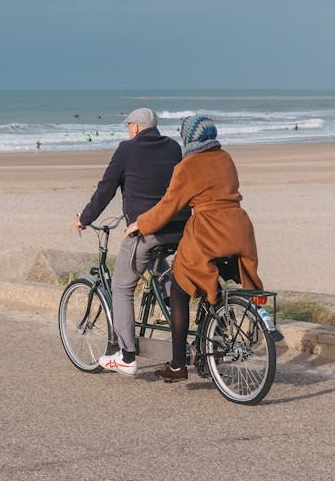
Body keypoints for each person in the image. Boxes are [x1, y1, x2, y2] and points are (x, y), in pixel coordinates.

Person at [125, 114, 262, 383]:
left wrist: (141, 224)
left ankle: (177, 365)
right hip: (239, 229)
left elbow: (169, 206)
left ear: (188, 138)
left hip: (209, 231)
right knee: (214, 280)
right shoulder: (225, 158)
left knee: (180, 286)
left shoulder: (188, 165)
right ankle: (212, 351)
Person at [75, 107, 188, 376]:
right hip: (179, 228)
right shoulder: (173, 148)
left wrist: (85, 218)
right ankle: (170, 308)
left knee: (122, 286)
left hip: (147, 230)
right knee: (160, 268)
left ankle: (126, 355)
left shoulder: (127, 149)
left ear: (136, 127)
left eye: (129, 127)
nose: (128, 131)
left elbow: (106, 189)